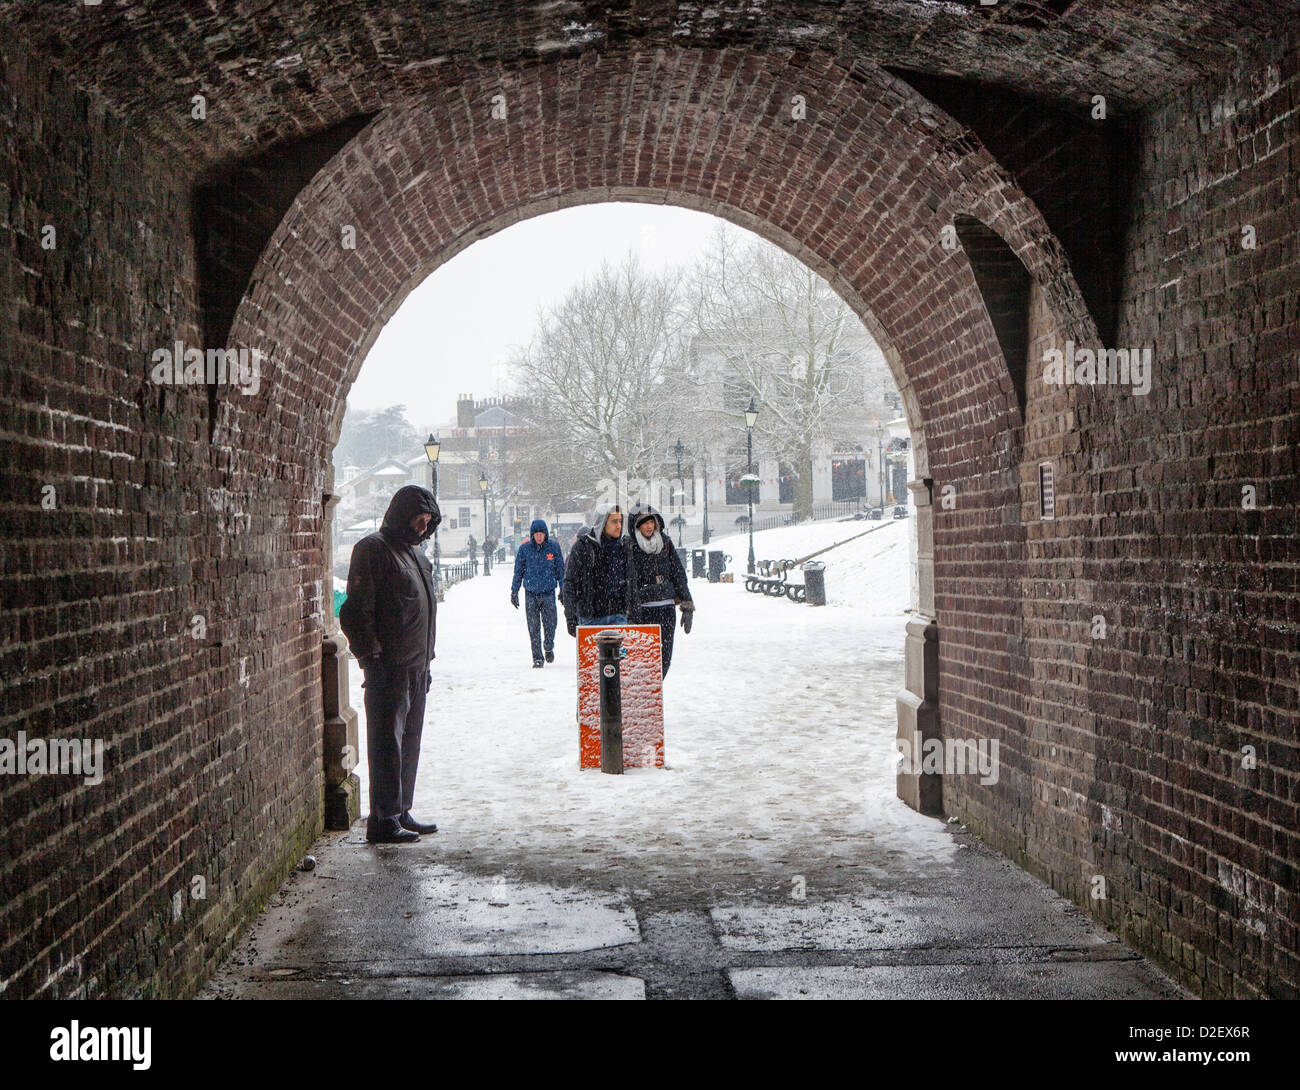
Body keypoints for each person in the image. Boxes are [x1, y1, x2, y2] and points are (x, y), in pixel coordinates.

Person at [339, 484, 442, 844]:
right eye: (418, 518)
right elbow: (355, 612)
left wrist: (425, 662)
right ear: (402, 515)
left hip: (415, 666)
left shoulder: (417, 557)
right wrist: (371, 658)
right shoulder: (373, 550)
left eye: (428, 521)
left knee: (409, 742)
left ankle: (400, 809)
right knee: (386, 743)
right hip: (388, 668)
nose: (422, 526)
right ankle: (382, 818)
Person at [624, 503, 695, 678]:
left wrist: (687, 604)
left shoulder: (666, 543)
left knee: (665, 658)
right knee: (644, 658)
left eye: (652, 522)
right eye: (644, 522)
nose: (649, 526)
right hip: (644, 609)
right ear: (636, 526)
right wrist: (629, 610)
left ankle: (656, 688)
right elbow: (627, 581)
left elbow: (678, 574)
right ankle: (646, 694)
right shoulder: (630, 548)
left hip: (666, 607)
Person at [561, 503, 629, 632]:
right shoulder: (582, 547)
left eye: (620, 521)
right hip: (590, 618)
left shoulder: (623, 547)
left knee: (621, 653)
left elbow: (631, 581)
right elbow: (570, 583)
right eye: (614, 521)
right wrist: (570, 616)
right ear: (602, 523)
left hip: (619, 615)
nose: (619, 526)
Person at [511, 518, 566, 667]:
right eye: (536, 534)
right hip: (531, 592)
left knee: (551, 624)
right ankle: (537, 657)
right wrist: (514, 591)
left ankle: (548, 646)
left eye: (541, 533)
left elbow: (560, 570)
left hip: (548, 592)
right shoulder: (525, 549)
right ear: (532, 535)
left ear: (545, 534)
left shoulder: (553, 548)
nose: (539, 536)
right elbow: (518, 571)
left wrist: (563, 588)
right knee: (533, 627)